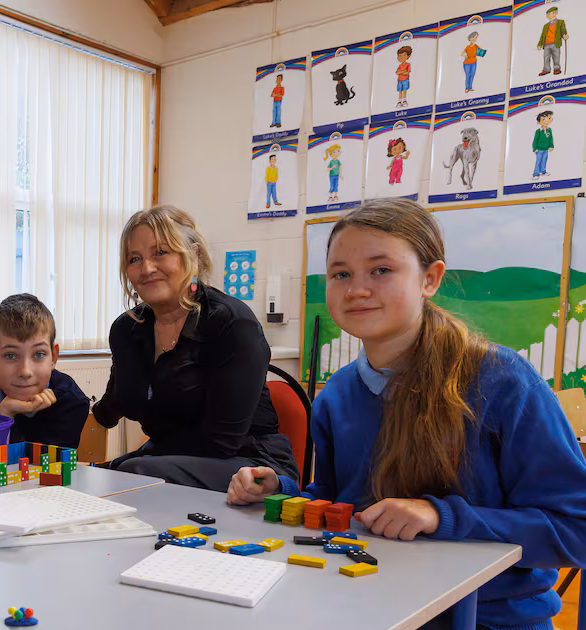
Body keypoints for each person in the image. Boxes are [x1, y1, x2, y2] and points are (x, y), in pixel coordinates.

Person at [227, 199, 586, 629]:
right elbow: (343, 506)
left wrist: (439, 517)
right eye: (341, 274)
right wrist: (280, 493)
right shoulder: (336, 395)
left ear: (429, 279)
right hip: (367, 606)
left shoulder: (503, 380)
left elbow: (575, 530)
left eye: (381, 270)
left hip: (485, 618)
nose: (357, 290)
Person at [92, 205, 298, 490]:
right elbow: (113, 403)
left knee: (132, 472)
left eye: (160, 252)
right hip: (166, 460)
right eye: (134, 258)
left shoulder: (232, 323)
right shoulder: (126, 330)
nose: (146, 268)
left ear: (194, 256)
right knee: (96, 476)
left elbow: (222, 441)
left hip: (249, 464)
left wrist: (132, 461)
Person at [0, 293, 89, 448]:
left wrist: (6, 418)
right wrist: (4, 417)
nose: (25, 371)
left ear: (53, 357)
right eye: (10, 355)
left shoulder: (70, 401)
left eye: (39, 354)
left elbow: (40, 463)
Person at [539, 6, 568, 77]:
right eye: (547, 14)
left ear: (555, 13)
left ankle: (556, 69)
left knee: (556, 56)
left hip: (555, 43)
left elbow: (563, 30)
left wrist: (564, 35)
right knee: (546, 57)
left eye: (550, 13)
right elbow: (542, 36)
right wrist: (540, 44)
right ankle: (546, 69)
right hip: (546, 44)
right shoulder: (545, 26)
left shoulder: (560, 22)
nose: (548, 15)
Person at [533, 110, 554, 180]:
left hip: (546, 149)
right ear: (539, 122)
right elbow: (535, 140)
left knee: (544, 160)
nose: (547, 121)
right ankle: (535, 173)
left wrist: (551, 146)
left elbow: (551, 138)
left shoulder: (549, 130)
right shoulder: (538, 131)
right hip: (539, 149)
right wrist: (535, 148)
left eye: (549, 118)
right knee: (538, 161)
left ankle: (543, 171)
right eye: (544, 119)